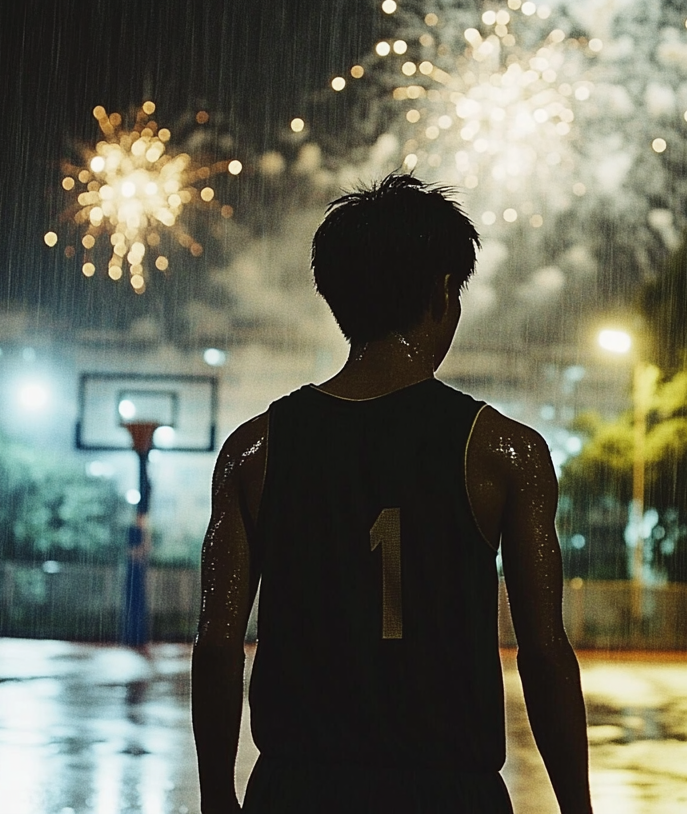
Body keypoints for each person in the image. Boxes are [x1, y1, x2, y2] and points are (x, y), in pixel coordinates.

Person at [192, 174, 592, 814]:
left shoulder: (255, 450)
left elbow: (216, 645)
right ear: (441, 292)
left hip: (297, 787)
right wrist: (577, 806)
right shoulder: (503, 451)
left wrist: (217, 794)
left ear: (334, 295)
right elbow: (543, 652)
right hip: (448, 788)